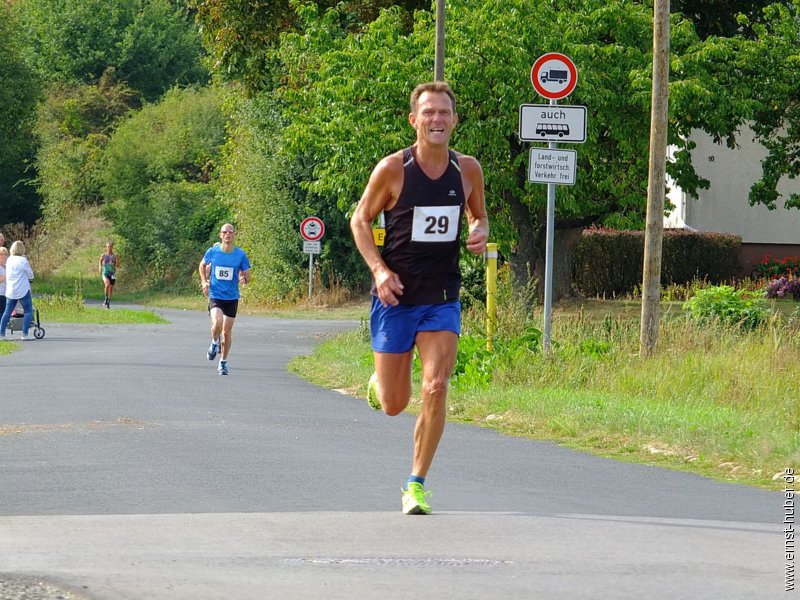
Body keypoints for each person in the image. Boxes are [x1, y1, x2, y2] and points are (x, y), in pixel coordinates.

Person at [350, 81, 489, 515]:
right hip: (395, 298)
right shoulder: (393, 170)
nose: (436, 119)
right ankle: (380, 384)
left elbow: (479, 215)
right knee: (395, 405)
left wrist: (480, 230)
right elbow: (360, 219)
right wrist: (379, 269)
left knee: (435, 386)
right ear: (414, 120)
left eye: (444, 112)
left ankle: (416, 484)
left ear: (454, 121)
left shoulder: (467, 170)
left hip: (442, 296)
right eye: (428, 112)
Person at [198, 224, 251, 375]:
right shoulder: (213, 252)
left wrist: (243, 279)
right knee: (217, 323)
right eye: (224, 232)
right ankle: (214, 342)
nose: (228, 234)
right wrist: (204, 281)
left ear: (234, 235)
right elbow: (202, 265)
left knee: (227, 333)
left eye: (230, 232)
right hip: (216, 295)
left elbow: (248, 276)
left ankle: (223, 362)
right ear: (220, 235)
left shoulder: (240, 255)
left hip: (232, 297)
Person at [0, 241, 36, 341]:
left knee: (7, 312)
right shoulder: (23, 260)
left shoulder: (9, 260)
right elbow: (30, 274)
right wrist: (30, 278)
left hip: (11, 290)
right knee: (28, 311)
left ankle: (1, 334)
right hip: (22, 289)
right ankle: (25, 334)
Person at [99, 241, 118, 308]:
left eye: (110, 247)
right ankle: (106, 298)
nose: (109, 248)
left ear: (112, 247)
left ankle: (108, 302)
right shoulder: (103, 255)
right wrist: (100, 268)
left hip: (112, 273)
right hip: (105, 273)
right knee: (107, 284)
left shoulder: (114, 255)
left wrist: (115, 261)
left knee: (111, 288)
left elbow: (117, 265)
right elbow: (100, 261)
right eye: (108, 247)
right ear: (106, 248)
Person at [0, 247, 8, 321]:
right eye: (1, 254)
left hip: (7, 294)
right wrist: (8, 274)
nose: (4, 256)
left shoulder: (7, 267)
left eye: (5, 254)